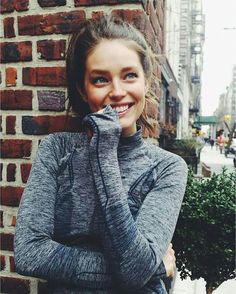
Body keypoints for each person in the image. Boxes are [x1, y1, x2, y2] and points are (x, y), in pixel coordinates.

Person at [14, 15, 188, 293]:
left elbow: (135, 271)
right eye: (100, 80)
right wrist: (153, 269)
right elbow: (29, 252)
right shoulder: (56, 150)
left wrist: (104, 154)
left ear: (145, 81)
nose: (117, 92)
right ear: (83, 90)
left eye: (130, 75)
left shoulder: (167, 168)